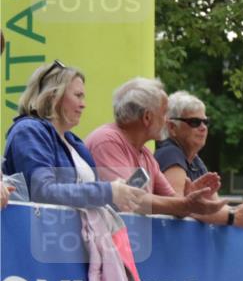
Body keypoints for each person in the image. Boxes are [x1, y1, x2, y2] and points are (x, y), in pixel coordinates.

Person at [2, 61, 145, 211]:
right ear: (53, 96)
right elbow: (42, 191)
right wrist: (108, 191)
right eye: (78, 96)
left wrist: (117, 197)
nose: (84, 104)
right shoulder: (29, 130)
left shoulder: (75, 144)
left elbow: (82, 198)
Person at [85, 77, 226, 218]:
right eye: (164, 113)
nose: (166, 121)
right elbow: (127, 198)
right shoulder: (106, 141)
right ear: (147, 117)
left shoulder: (145, 154)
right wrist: (185, 204)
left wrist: (188, 198)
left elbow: (174, 203)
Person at [157, 91, 243, 228]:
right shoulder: (170, 154)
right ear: (172, 127)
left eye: (206, 122)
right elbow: (180, 207)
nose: (203, 127)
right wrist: (233, 216)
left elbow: (214, 204)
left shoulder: (194, 160)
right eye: (194, 122)